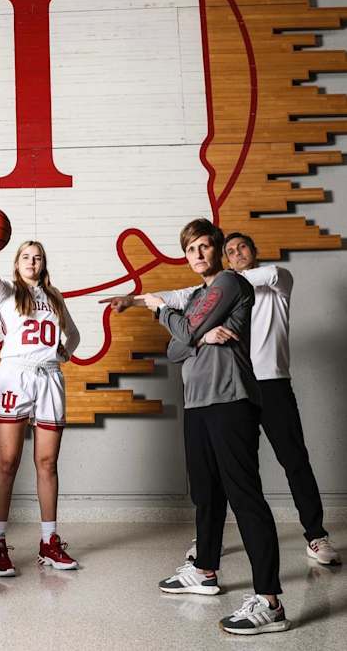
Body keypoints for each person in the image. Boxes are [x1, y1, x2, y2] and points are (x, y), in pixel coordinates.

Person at [115, 232, 340, 566]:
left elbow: (197, 294)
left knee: (293, 459)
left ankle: (316, 536)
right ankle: (210, 543)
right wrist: (133, 301)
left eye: (241, 248)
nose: (236, 253)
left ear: (252, 251)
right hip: (233, 385)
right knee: (217, 473)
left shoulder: (276, 280)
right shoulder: (214, 290)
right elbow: (179, 302)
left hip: (272, 383)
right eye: (230, 250)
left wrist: (220, 281)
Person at [109, 219, 289, 635]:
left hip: (230, 399)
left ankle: (270, 601)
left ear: (219, 249)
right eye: (191, 250)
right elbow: (176, 349)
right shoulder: (198, 297)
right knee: (206, 493)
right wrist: (199, 336)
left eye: (206, 247)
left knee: (245, 495)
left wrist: (167, 313)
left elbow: (182, 332)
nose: (199, 255)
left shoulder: (229, 283)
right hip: (197, 403)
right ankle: (205, 570)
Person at [0, 241, 81, 577]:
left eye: (37, 257)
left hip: (49, 376)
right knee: (7, 462)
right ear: (17, 263)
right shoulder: (7, 293)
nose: (32, 262)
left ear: (43, 263)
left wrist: (63, 353)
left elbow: (74, 335)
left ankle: (49, 542)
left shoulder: (55, 297)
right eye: (26, 257)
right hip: (15, 376)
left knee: (47, 462)